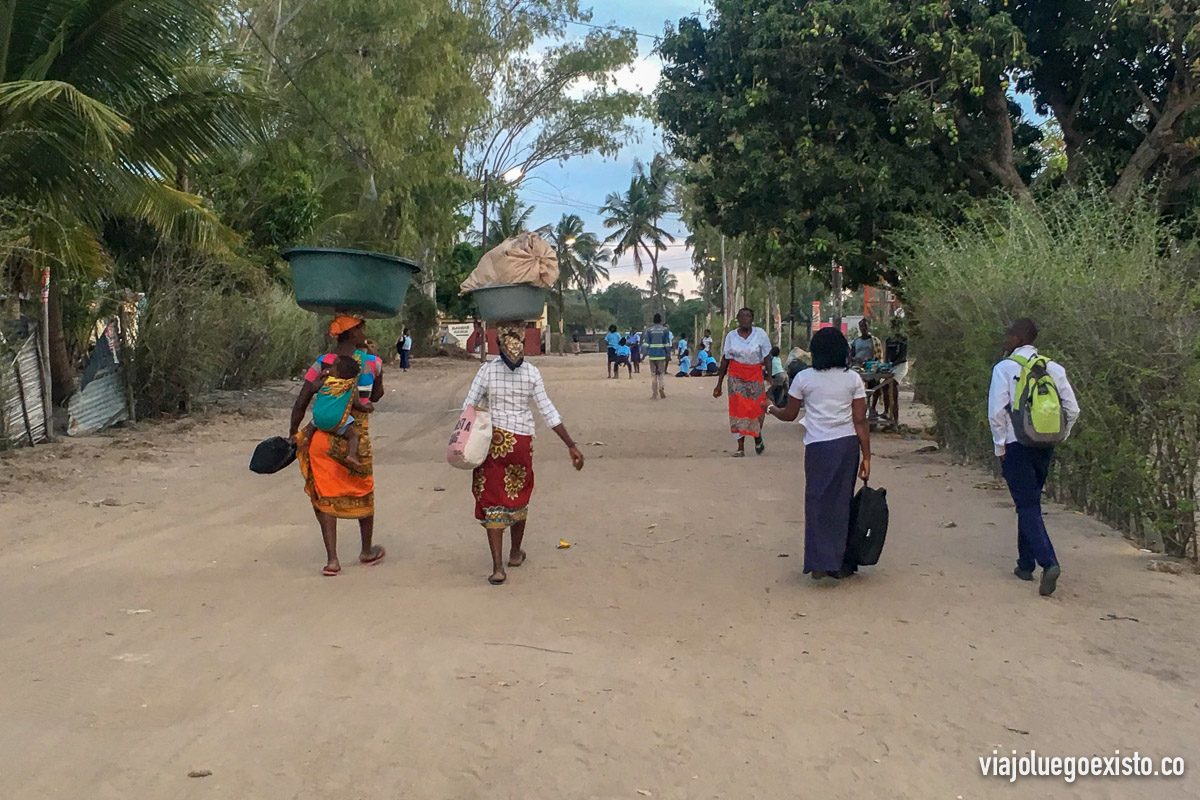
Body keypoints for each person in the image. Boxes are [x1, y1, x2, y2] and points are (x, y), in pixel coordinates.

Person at [461, 323, 585, 585]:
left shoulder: (486, 371)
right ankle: (515, 553)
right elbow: (548, 411)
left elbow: (469, 405)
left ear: (498, 346)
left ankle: (497, 568)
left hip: (493, 442)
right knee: (518, 494)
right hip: (521, 443)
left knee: (493, 498)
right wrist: (570, 445)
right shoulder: (531, 373)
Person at [766, 327, 871, 586]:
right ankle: (839, 561)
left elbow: (789, 414)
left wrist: (770, 409)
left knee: (817, 502)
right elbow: (860, 420)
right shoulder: (853, 380)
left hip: (818, 447)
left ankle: (818, 562)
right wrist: (867, 457)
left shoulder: (804, 378)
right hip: (846, 446)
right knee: (841, 502)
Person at [988, 318, 1080, 597]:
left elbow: (996, 412)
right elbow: (1073, 409)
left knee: (1027, 505)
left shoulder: (1004, 368)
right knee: (1030, 502)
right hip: (1045, 443)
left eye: (1009, 335)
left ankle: (1048, 563)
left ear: (1018, 338)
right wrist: (1059, 436)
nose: (1006, 340)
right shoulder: (1053, 368)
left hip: (1017, 444)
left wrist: (999, 446)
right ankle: (1024, 564)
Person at [289, 316, 385, 576]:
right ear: (351, 333)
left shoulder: (322, 364)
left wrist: (292, 433)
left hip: (322, 437)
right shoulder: (373, 363)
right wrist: (378, 375)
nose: (364, 332)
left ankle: (332, 559)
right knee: (362, 488)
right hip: (356, 434)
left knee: (325, 494)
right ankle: (366, 550)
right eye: (360, 328)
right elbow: (375, 397)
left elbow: (302, 400)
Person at [713, 308, 772, 456]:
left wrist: (770, 377)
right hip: (736, 376)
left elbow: (767, 357)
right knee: (738, 409)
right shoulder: (731, 336)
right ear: (738, 319)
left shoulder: (760, 335)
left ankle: (757, 435)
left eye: (748, 316)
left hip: (755, 374)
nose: (745, 319)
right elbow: (725, 359)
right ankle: (740, 447)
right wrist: (719, 383)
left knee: (757, 408)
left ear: (752, 319)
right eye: (742, 316)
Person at [306, 354, 372, 467]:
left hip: (319, 419)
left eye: (333, 366)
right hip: (336, 422)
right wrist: (368, 408)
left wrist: (320, 376)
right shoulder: (350, 385)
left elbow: (312, 388)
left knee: (312, 424)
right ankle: (351, 455)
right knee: (353, 435)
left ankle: (307, 439)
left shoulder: (326, 380)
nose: (330, 368)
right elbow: (357, 404)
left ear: (336, 373)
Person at [881, 323, 909, 423]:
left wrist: (892, 364)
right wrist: (885, 366)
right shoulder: (889, 340)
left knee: (892, 387)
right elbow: (887, 355)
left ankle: (895, 417)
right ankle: (886, 411)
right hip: (891, 366)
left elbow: (902, 356)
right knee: (884, 386)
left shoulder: (903, 339)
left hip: (900, 366)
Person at [642, 313, 672, 399]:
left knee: (654, 374)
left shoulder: (649, 330)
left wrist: (643, 355)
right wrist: (668, 354)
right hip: (661, 354)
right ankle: (661, 387)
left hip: (652, 355)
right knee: (661, 374)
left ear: (653, 320)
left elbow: (646, 343)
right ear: (661, 320)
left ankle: (654, 393)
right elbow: (667, 343)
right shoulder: (665, 330)